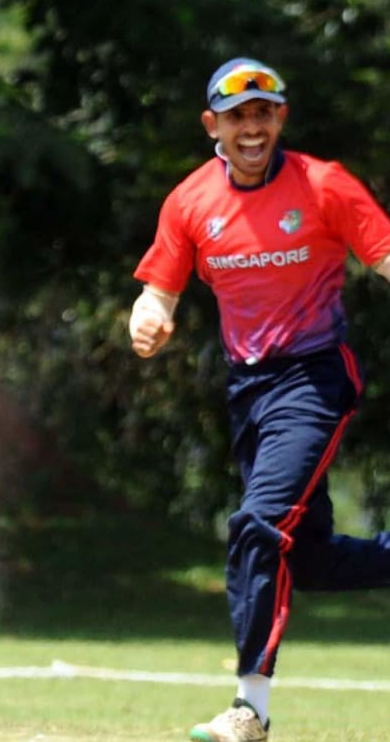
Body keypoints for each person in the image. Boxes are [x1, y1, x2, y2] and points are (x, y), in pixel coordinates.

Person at [130, 57, 390, 742]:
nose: (253, 127)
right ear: (212, 123)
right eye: (238, 115)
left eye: (265, 113)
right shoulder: (190, 202)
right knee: (308, 559)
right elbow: (159, 288)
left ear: (281, 119)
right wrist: (147, 316)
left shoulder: (324, 185)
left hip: (314, 380)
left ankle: (251, 708)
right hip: (248, 392)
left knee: (257, 524)